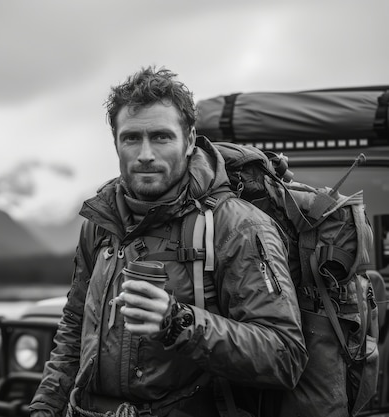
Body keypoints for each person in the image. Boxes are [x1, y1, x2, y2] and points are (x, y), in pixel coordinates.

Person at [30, 67, 308, 417]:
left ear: (190, 140)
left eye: (161, 137)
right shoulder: (101, 222)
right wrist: (45, 406)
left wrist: (178, 323)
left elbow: (284, 355)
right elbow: (74, 329)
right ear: (115, 141)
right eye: (132, 138)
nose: (145, 154)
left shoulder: (235, 226)